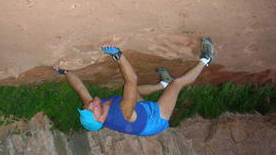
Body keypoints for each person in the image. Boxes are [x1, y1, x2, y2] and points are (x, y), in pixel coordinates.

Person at [53, 37, 214, 136]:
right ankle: (206, 59)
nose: (89, 104)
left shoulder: (94, 107)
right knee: (176, 84)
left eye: (86, 106)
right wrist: (117, 55)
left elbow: (80, 88)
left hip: (140, 113)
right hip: (155, 120)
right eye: (91, 109)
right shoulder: (122, 113)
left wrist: (64, 72)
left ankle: (162, 83)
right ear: (100, 118)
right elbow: (132, 79)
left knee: (132, 91)